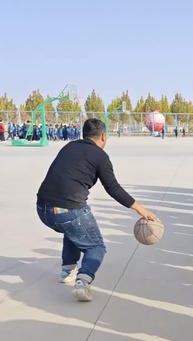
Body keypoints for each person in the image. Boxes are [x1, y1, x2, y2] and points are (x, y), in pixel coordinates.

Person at [36, 118, 157, 302]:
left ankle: (66, 271)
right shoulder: (100, 155)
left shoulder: (69, 146)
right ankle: (83, 282)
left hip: (43, 209)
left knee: (73, 230)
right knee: (96, 246)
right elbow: (113, 188)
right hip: (67, 210)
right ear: (103, 136)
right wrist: (140, 209)